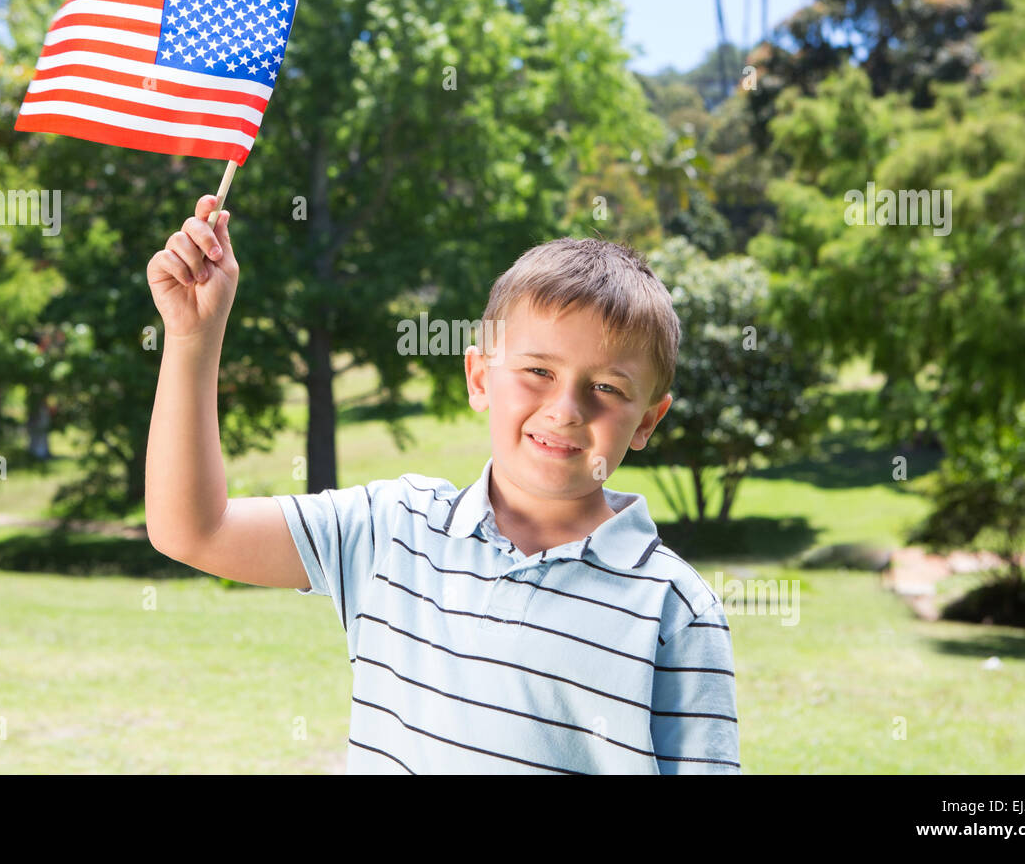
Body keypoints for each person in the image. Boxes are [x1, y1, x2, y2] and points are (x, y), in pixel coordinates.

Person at [145, 194, 741, 774]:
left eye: (607, 388)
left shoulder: (674, 609)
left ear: (648, 420)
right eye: (538, 371)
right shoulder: (390, 528)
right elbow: (193, 530)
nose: (565, 410)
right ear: (480, 378)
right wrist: (192, 338)